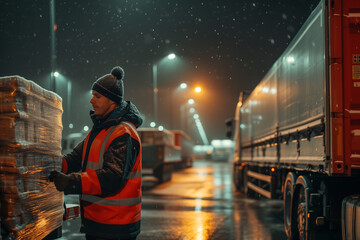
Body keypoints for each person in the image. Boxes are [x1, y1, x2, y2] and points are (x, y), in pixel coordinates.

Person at [50, 66, 143, 240]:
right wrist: (50, 166)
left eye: (97, 96)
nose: (91, 100)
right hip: (98, 222)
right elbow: (75, 158)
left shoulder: (123, 133)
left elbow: (113, 177)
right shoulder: (99, 130)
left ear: (112, 101)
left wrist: (71, 182)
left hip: (116, 226)